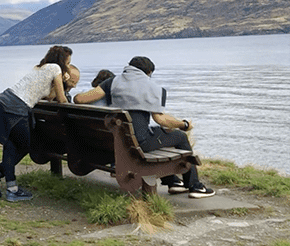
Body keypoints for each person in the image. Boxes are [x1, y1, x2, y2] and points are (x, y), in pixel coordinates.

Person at [73, 56, 215, 199]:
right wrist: (183, 124)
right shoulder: (154, 88)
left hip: (111, 141)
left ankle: (172, 182)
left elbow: (79, 99)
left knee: (156, 133)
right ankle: (195, 186)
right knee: (180, 137)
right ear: (148, 72)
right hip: (138, 144)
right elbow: (161, 119)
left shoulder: (111, 82)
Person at [0, 45, 72, 202]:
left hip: (5, 101)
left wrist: (59, 83)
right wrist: (65, 83)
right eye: (68, 62)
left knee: (12, 145)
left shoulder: (41, 68)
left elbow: (49, 96)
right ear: (62, 61)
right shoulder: (55, 68)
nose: (68, 66)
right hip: (15, 107)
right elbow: (61, 99)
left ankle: (9, 186)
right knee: (26, 145)